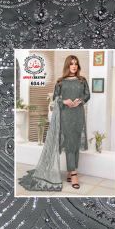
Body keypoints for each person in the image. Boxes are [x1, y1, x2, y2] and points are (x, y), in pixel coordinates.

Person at [18, 55, 90, 192]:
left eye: (76, 64)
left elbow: (87, 95)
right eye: (71, 64)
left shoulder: (82, 80)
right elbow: (55, 98)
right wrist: (64, 101)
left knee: (75, 144)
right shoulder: (60, 82)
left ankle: (70, 171)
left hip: (78, 115)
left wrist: (80, 100)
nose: (74, 66)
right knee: (69, 143)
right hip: (65, 116)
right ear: (67, 65)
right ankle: (74, 174)